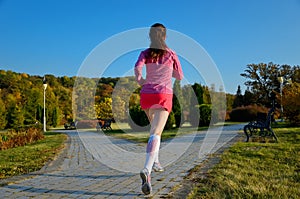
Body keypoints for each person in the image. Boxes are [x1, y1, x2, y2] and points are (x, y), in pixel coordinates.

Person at [134, 23, 183, 195]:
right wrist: (168, 72)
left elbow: (137, 68)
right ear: (165, 36)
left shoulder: (145, 53)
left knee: (155, 132)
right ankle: (147, 169)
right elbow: (180, 75)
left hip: (147, 96)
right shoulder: (171, 54)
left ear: (150, 36)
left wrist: (141, 81)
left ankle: (156, 162)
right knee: (156, 132)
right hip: (163, 95)